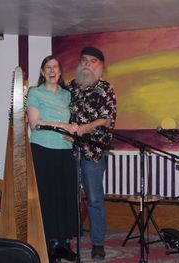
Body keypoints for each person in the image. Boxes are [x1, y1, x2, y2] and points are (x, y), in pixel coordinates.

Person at [26, 55, 78, 262]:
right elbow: (34, 123)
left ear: (60, 71)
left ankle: (64, 243)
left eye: (55, 67)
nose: (52, 70)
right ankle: (49, 244)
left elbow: (74, 121)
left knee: (65, 195)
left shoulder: (67, 95)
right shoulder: (35, 93)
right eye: (48, 67)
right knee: (47, 196)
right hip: (42, 148)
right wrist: (62, 125)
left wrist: (72, 131)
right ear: (42, 72)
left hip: (65, 149)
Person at [68, 46, 117, 259]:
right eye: (84, 60)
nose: (88, 64)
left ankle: (98, 243)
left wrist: (84, 129)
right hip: (69, 150)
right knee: (69, 197)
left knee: (95, 199)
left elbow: (107, 119)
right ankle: (68, 237)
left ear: (101, 66)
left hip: (94, 153)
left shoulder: (106, 89)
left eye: (93, 61)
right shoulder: (70, 87)